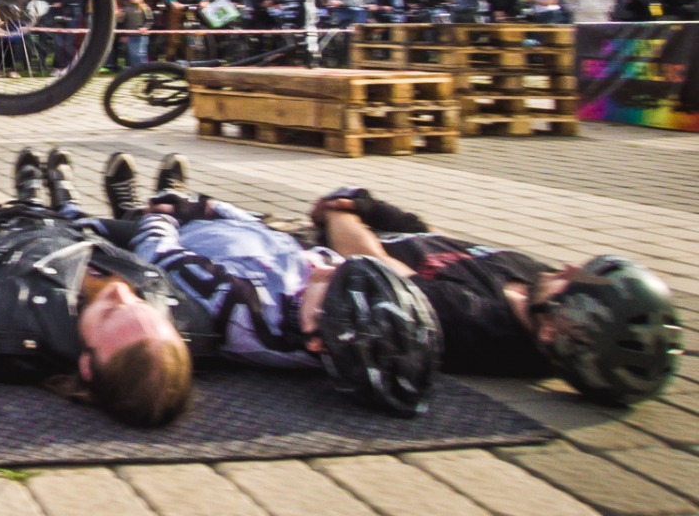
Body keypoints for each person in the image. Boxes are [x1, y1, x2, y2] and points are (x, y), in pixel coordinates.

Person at [103, 155, 439, 416]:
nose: (331, 264)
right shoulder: (314, 307)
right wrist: (214, 206)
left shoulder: (239, 308)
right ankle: (162, 198)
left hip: (176, 236)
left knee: (95, 227)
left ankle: (119, 207)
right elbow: (272, 239)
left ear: (315, 334)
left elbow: (158, 255)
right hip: (231, 233)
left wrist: (164, 215)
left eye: (335, 278)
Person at [311, 188, 683, 406]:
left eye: (574, 280)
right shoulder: (535, 285)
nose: (568, 267)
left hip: (320, 252)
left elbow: (371, 267)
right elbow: (444, 244)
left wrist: (338, 212)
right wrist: (379, 210)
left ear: (554, 329)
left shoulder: (474, 322)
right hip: (380, 230)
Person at [0, 149, 196, 427]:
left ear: (87, 366)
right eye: (139, 303)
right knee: (169, 223)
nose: (121, 291)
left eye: (110, 312)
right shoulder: (184, 316)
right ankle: (66, 195)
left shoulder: (13, 326)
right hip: (77, 232)